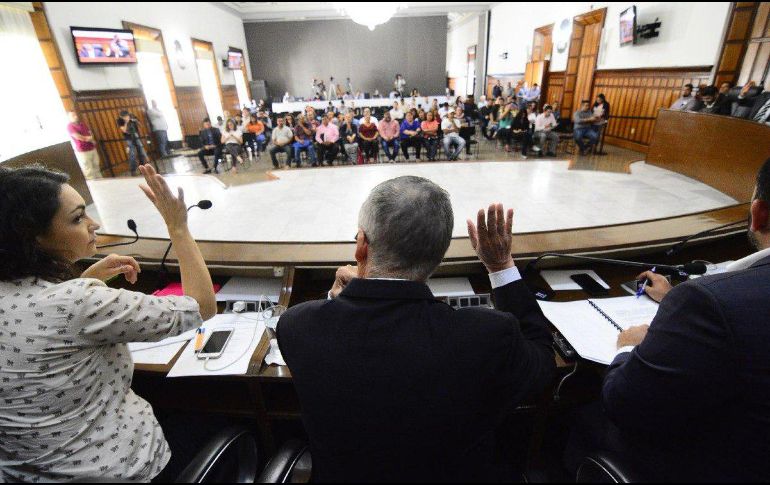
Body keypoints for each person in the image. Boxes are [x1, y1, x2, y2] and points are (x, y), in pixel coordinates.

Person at [276, 178, 555, 482]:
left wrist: (333, 300)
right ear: (439, 253)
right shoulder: (487, 336)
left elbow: (327, 330)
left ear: (361, 246)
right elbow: (542, 364)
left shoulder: (297, 326)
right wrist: (500, 266)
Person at [0, 164, 216, 482]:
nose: (94, 223)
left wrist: (86, 279)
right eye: (77, 218)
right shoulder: (80, 302)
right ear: (34, 238)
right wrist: (178, 227)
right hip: (122, 469)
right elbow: (200, 306)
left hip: (29, 474)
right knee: (207, 418)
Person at [567, 157, 770, 482]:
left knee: (580, 415)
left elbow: (622, 404)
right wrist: (673, 295)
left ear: (758, 213)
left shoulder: (708, 302)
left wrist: (627, 348)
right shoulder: (712, 299)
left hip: (706, 463)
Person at [66, 111, 101, 179]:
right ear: (69, 117)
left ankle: (101, 182)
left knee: (96, 166)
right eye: (73, 115)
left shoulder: (82, 124)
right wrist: (88, 138)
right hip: (83, 151)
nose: (75, 116)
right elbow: (77, 136)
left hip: (91, 147)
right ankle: (94, 186)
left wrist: (92, 139)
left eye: (75, 114)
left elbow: (90, 133)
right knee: (88, 170)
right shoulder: (70, 126)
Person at [116, 110, 148, 176]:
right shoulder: (119, 120)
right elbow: (124, 130)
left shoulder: (132, 116)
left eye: (127, 116)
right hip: (128, 138)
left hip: (135, 135)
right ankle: (133, 170)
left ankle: (143, 168)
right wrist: (126, 122)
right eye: (124, 117)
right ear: (121, 117)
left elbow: (140, 125)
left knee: (141, 151)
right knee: (132, 154)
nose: (126, 117)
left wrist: (135, 120)